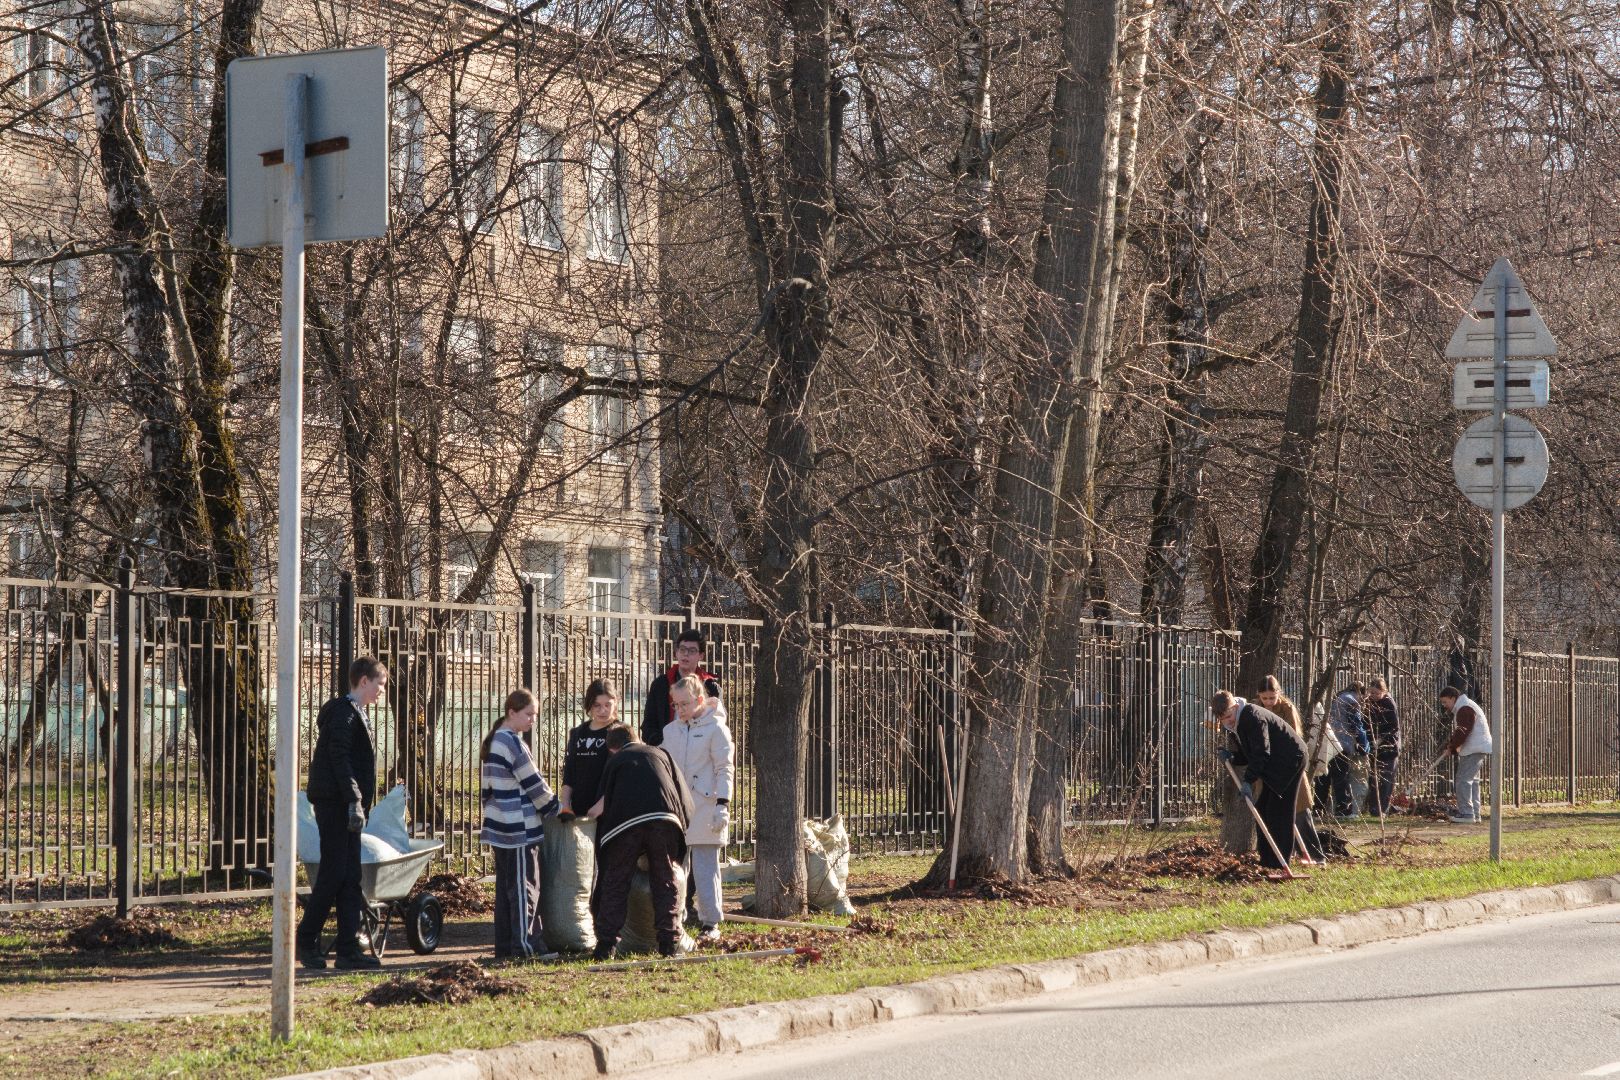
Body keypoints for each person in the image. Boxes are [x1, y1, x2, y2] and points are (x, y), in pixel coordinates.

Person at [298, 656, 388, 970]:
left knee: (351, 876)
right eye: (379, 684)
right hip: (335, 804)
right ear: (364, 681)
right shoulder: (343, 714)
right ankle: (306, 941)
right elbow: (339, 759)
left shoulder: (355, 713)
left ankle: (348, 949)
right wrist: (353, 799)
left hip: (347, 804)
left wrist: (357, 801)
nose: (381, 691)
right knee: (334, 873)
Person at [591, 724, 695, 960]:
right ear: (638, 738)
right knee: (665, 879)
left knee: (617, 880)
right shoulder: (661, 754)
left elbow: (603, 804)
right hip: (665, 820)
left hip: (625, 825)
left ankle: (606, 945)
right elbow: (684, 797)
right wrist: (681, 836)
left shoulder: (616, 761)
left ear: (613, 749)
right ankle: (669, 943)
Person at [479, 687, 561, 960]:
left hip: (500, 827)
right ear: (511, 712)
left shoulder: (494, 741)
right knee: (525, 887)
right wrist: (556, 808)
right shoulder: (512, 742)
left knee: (506, 891)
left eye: (535, 715)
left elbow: (487, 791)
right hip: (519, 828)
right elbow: (534, 783)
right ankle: (525, 946)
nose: (532, 721)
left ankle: (506, 946)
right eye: (528, 714)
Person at [657, 674, 735, 942]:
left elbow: (725, 768)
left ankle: (711, 922)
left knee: (705, 866)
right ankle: (675, 918)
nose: (679, 710)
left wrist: (723, 805)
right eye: (675, 705)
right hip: (678, 807)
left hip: (706, 806)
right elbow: (664, 763)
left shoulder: (716, 728)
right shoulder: (671, 730)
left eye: (684, 704)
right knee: (676, 867)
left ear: (700, 700)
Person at [1212, 688, 1307, 875]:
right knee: (1263, 808)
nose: (1228, 720)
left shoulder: (1251, 717)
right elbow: (1249, 754)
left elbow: (1261, 752)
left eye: (1229, 715)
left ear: (1235, 706)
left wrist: (1248, 780)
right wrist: (1232, 756)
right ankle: (1267, 860)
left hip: (1290, 759)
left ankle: (1280, 863)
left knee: (1280, 810)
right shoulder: (1235, 725)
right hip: (1273, 762)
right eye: (1223, 718)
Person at [1256, 676, 1324, 863]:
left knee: (1300, 812)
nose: (1269, 702)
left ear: (1279, 693)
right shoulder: (1256, 709)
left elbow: (1293, 738)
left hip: (1288, 766)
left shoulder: (1287, 709)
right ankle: (1280, 853)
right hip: (1267, 770)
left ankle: (1316, 855)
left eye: (1272, 697)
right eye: (1265, 698)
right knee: (1271, 813)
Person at [642, 629, 721, 747]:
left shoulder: (711, 687)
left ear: (701, 655)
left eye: (692, 651)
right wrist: (662, 742)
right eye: (682, 649)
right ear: (676, 652)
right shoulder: (660, 685)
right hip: (666, 752)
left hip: (700, 753)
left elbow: (717, 724)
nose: (686, 654)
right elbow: (648, 725)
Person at [560, 679, 619, 821]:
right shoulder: (578, 733)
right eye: (597, 705)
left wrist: (600, 806)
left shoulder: (620, 732)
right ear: (589, 705)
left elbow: (621, 776)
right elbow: (569, 771)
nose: (602, 710)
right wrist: (565, 804)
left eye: (607, 705)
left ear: (615, 703)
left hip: (609, 813)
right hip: (578, 812)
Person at [1439, 686, 1492, 824]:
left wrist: (1451, 747)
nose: (1444, 706)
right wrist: (1452, 747)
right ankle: (1474, 813)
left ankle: (1466, 813)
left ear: (1453, 698)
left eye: (1445, 702)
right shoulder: (1466, 706)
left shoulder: (1464, 708)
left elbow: (1462, 732)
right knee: (1472, 781)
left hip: (1474, 748)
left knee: (1463, 779)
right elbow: (1462, 732)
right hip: (1478, 747)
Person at [1323, 681, 1370, 817]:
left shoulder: (1338, 698)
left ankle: (1318, 809)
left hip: (1328, 741)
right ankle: (1343, 810)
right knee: (1341, 777)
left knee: (1325, 778)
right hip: (1342, 744)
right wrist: (1364, 746)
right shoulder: (1352, 701)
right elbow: (1356, 725)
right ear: (1361, 693)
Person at [1365, 677, 1402, 816]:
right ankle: (1374, 808)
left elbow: (1394, 727)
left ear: (1383, 691)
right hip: (1375, 747)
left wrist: (1381, 738)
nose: (1373, 696)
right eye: (1371, 693)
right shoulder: (1370, 703)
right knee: (1374, 779)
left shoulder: (1388, 703)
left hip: (1388, 747)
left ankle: (1383, 809)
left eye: (1376, 693)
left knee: (1386, 779)